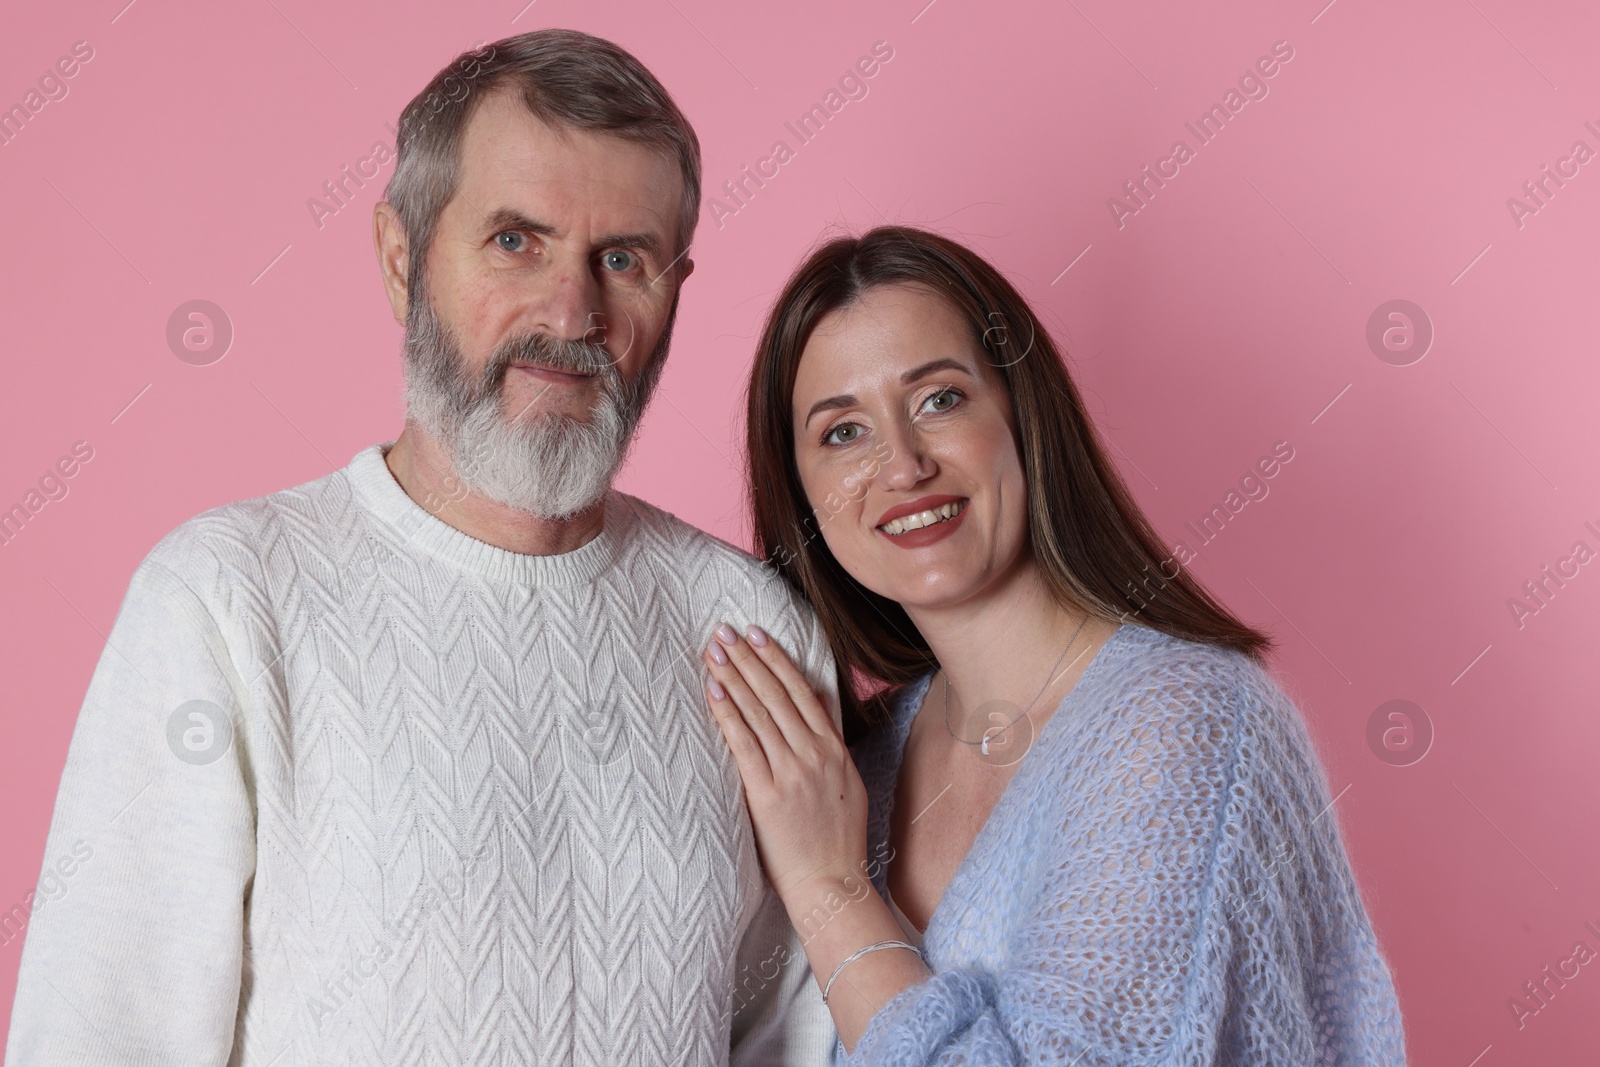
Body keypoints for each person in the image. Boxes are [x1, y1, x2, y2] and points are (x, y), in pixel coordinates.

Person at [6, 29, 839, 1066]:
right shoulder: (227, 597)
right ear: (403, 262)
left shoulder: (751, 628)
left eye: (621, 258)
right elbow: (99, 1038)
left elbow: (789, 1036)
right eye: (515, 241)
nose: (572, 311)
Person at [699, 226, 1409, 1064]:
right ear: (804, 497)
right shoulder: (853, 759)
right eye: (842, 432)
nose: (902, 465)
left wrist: (831, 892)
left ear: (1022, 416)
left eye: (939, 399)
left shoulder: (1191, 725)